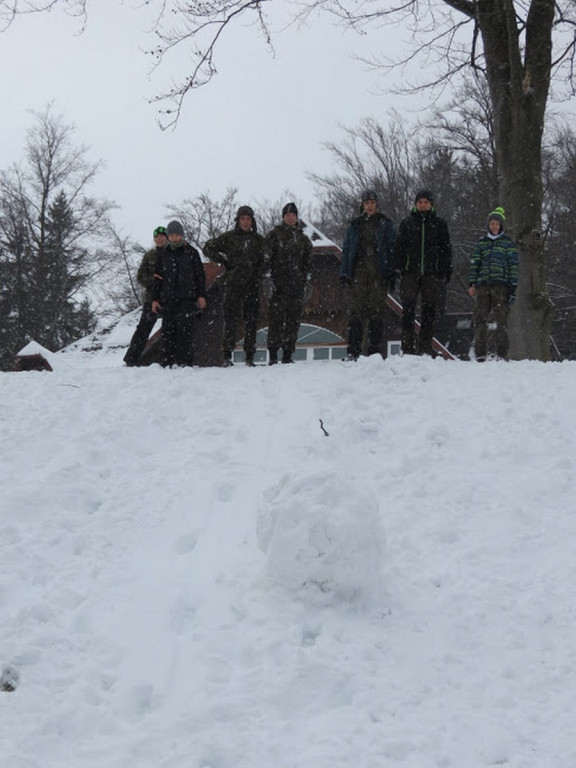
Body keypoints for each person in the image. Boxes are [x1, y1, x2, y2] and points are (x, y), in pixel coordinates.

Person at [203, 206, 265, 367]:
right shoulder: (230, 238)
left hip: (252, 285)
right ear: (238, 221)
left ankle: (249, 356)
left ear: (252, 221)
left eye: (248, 219)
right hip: (232, 284)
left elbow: (267, 258)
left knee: (251, 321)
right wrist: (223, 261)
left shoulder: (258, 240)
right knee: (230, 320)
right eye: (243, 219)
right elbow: (208, 247)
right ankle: (227, 355)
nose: (245, 222)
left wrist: (259, 272)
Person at [395, 190, 452, 356]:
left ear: (431, 204)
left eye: (426, 202)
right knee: (408, 309)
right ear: (415, 204)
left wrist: (446, 269)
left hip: (431, 273)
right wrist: (398, 267)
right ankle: (407, 347)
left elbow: (445, 248)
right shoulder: (407, 223)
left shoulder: (440, 224)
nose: (423, 205)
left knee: (429, 310)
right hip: (410, 272)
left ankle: (425, 346)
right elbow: (399, 247)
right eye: (420, 202)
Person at [340, 190, 396, 360]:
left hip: (378, 272)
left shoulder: (385, 224)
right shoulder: (355, 226)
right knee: (356, 312)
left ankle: (374, 351)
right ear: (362, 206)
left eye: (372, 203)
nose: (369, 206)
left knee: (376, 312)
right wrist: (344, 273)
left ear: (376, 205)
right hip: (358, 272)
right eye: (366, 203)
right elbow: (347, 250)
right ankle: (353, 351)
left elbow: (392, 248)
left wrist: (392, 272)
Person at [150, 220, 207, 368]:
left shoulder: (192, 253)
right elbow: (157, 278)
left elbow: (200, 276)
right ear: (169, 237)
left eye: (177, 235)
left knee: (185, 332)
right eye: (172, 235)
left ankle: (185, 362)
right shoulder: (163, 255)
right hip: (168, 299)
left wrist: (201, 295)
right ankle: (166, 362)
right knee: (167, 333)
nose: (175, 238)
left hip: (187, 299)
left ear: (181, 235)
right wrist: (155, 299)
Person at [264, 202, 313, 364]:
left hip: (296, 287)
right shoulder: (274, 235)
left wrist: (307, 281)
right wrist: (268, 279)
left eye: (293, 215)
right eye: (287, 215)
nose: (290, 218)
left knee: (293, 322)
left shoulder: (303, 239)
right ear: (283, 217)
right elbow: (266, 259)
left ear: (297, 217)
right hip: (278, 285)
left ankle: (287, 354)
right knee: (276, 320)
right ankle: (272, 354)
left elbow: (308, 263)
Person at [468, 206, 519, 361]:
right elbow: (475, 263)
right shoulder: (482, 243)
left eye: (497, 224)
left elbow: (513, 266)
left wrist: (512, 287)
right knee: (479, 319)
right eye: (492, 224)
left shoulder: (507, 243)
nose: (494, 226)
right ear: (488, 226)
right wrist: (472, 283)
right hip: (483, 285)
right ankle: (480, 354)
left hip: (501, 286)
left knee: (501, 321)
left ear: (501, 225)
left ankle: (502, 354)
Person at [123, 226, 168, 367]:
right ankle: (131, 358)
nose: (159, 239)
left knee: (169, 329)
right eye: (156, 237)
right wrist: (155, 282)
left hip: (168, 298)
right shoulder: (149, 256)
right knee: (143, 329)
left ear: (166, 238)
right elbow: (140, 276)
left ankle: (167, 359)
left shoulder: (172, 255)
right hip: (151, 298)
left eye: (161, 236)